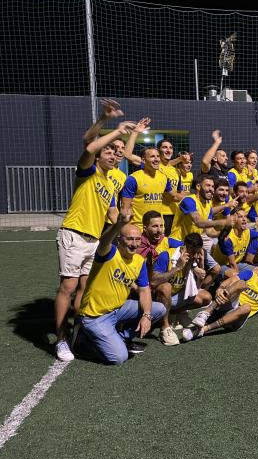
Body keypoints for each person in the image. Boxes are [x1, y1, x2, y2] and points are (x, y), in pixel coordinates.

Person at [54, 104, 133, 361]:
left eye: (117, 153)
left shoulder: (113, 180)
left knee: (87, 291)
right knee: (69, 286)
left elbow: (111, 211)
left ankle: (81, 334)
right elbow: (89, 144)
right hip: (74, 234)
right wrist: (108, 122)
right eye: (108, 152)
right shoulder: (87, 172)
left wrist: (124, 226)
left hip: (94, 239)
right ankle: (61, 339)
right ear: (99, 156)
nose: (113, 155)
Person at [75, 211, 166, 364]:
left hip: (118, 310)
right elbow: (104, 241)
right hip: (95, 316)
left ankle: (121, 338)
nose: (134, 244)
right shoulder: (110, 253)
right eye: (130, 239)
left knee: (159, 309)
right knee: (119, 358)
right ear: (119, 239)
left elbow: (144, 290)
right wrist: (119, 224)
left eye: (137, 239)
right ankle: (82, 336)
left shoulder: (139, 261)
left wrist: (147, 315)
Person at [182, 260, 258, 341]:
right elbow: (231, 280)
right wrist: (221, 288)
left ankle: (204, 330)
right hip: (229, 303)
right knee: (240, 283)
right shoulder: (251, 275)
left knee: (247, 307)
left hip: (237, 319)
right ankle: (205, 313)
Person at [151, 232, 213, 346]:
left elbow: (197, 287)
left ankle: (175, 313)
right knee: (166, 287)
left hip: (174, 297)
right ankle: (165, 327)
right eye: (194, 252)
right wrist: (178, 267)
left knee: (206, 297)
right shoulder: (166, 256)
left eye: (198, 252)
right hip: (156, 300)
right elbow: (153, 281)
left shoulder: (192, 260)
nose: (196, 255)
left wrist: (201, 263)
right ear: (185, 247)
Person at [120, 146, 180, 231]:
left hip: (159, 229)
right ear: (143, 160)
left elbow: (174, 196)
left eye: (158, 156)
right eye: (152, 156)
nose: (156, 159)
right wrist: (126, 229)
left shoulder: (163, 178)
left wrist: (193, 197)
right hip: (139, 229)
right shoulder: (133, 179)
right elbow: (125, 208)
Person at [170, 174, 234, 242]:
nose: (211, 189)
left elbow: (209, 231)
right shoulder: (189, 201)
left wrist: (222, 233)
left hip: (192, 245)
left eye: (212, 186)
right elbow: (199, 223)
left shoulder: (208, 204)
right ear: (198, 186)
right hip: (177, 242)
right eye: (208, 185)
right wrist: (223, 222)